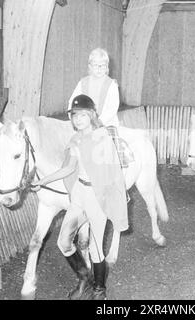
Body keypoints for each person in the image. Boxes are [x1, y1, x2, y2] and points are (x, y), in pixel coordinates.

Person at [32, 94, 128, 300]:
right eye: (74, 115)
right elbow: (68, 168)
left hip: (97, 197)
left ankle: (99, 291)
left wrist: (117, 198)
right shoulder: (75, 139)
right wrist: (43, 181)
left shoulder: (102, 137)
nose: (78, 119)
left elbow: (114, 172)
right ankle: (85, 280)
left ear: (91, 115)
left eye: (82, 115)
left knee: (95, 249)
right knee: (63, 242)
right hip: (80, 196)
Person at [68, 48, 120, 127]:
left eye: (102, 65)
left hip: (106, 124)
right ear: (90, 66)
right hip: (86, 124)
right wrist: (74, 118)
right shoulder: (83, 83)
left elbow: (112, 107)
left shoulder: (111, 84)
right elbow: (72, 101)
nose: (99, 69)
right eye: (95, 65)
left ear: (107, 67)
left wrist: (99, 122)